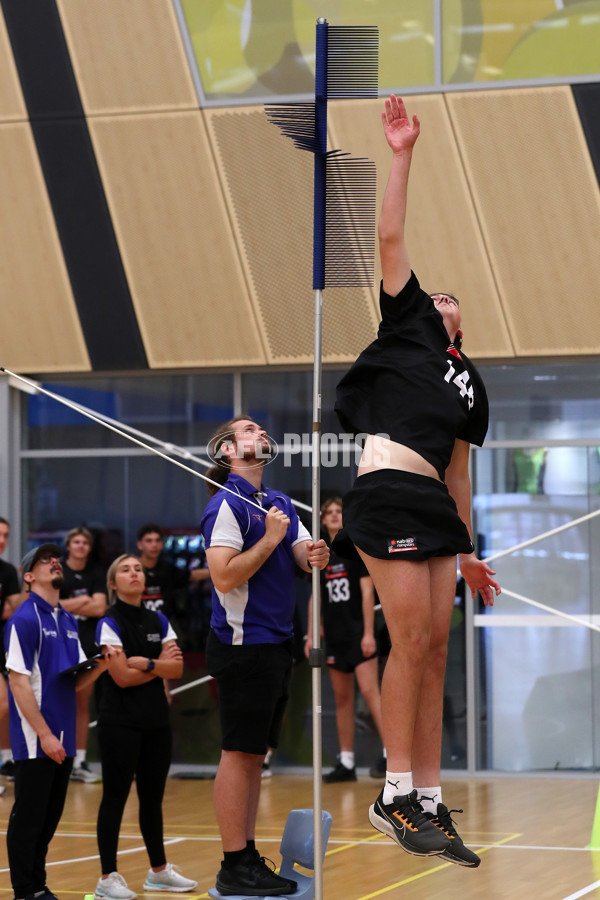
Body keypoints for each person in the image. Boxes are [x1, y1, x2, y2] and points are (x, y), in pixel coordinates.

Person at [334, 95, 501, 868]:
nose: (437, 299)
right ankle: (392, 791)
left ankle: (429, 798)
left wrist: (468, 551)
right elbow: (391, 236)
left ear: (459, 327)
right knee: (408, 638)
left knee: (434, 647)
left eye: (448, 302)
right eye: (431, 297)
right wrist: (402, 155)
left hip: (436, 507)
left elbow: (462, 473)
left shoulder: (468, 387)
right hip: (387, 492)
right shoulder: (404, 326)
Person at [201, 416, 329, 897]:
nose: (260, 432)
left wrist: (313, 552)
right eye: (248, 428)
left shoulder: (277, 504)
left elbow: (301, 553)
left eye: (260, 428)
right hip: (242, 645)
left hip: (277, 643)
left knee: (256, 754)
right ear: (228, 448)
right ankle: (233, 863)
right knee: (238, 752)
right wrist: (272, 539)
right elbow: (224, 576)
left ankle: (247, 855)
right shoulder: (226, 506)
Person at [5, 543, 120, 900]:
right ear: (28, 576)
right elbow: (18, 681)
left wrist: (100, 666)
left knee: (50, 816)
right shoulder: (23, 619)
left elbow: (74, 682)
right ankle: (26, 890)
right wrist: (43, 734)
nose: (55, 562)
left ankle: (38, 885)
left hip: (64, 734)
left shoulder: (68, 620)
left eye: (56, 558)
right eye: (45, 560)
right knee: (29, 817)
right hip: (37, 736)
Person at [94, 554, 197, 900]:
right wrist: (160, 666)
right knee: (115, 798)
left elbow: (178, 669)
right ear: (113, 583)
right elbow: (120, 677)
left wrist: (149, 662)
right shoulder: (108, 622)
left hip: (156, 721)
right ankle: (107, 878)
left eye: (137, 568)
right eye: (125, 569)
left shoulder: (159, 618)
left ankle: (159, 872)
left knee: (152, 800)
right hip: (119, 722)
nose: (134, 573)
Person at [305, 497, 386, 782]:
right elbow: (315, 595)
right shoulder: (319, 554)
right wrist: (312, 632)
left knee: (370, 692)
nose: (335, 516)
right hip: (336, 636)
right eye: (330, 512)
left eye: (340, 511)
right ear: (323, 519)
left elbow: (367, 593)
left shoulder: (355, 548)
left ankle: (391, 755)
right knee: (342, 699)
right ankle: (347, 761)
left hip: (358, 633)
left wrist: (367, 632)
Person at [59, 526, 108, 783]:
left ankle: (78, 761)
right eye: (76, 542)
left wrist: (66, 605)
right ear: (68, 545)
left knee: (82, 705)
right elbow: (48, 605)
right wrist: (82, 602)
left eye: (85, 543)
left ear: (89, 548)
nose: (80, 546)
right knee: (55, 702)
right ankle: (56, 758)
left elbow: (100, 607)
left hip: (87, 645)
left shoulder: (96, 573)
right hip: (58, 646)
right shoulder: (58, 571)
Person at [136, 523, 210, 617]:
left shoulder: (167, 568)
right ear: (140, 545)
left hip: (164, 625)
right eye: (149, 541)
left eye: (157, 540)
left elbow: (191, 575)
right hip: (137, 624)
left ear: (162, 544)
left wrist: (220, 570)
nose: (154, 545)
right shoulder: (132, 569)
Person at [0, 516, 22, 788]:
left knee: (6, 704)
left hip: (1, 644)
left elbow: (10, 609)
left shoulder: (7, 572)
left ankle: (7, 758)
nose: (2, 540)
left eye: (6, 535)